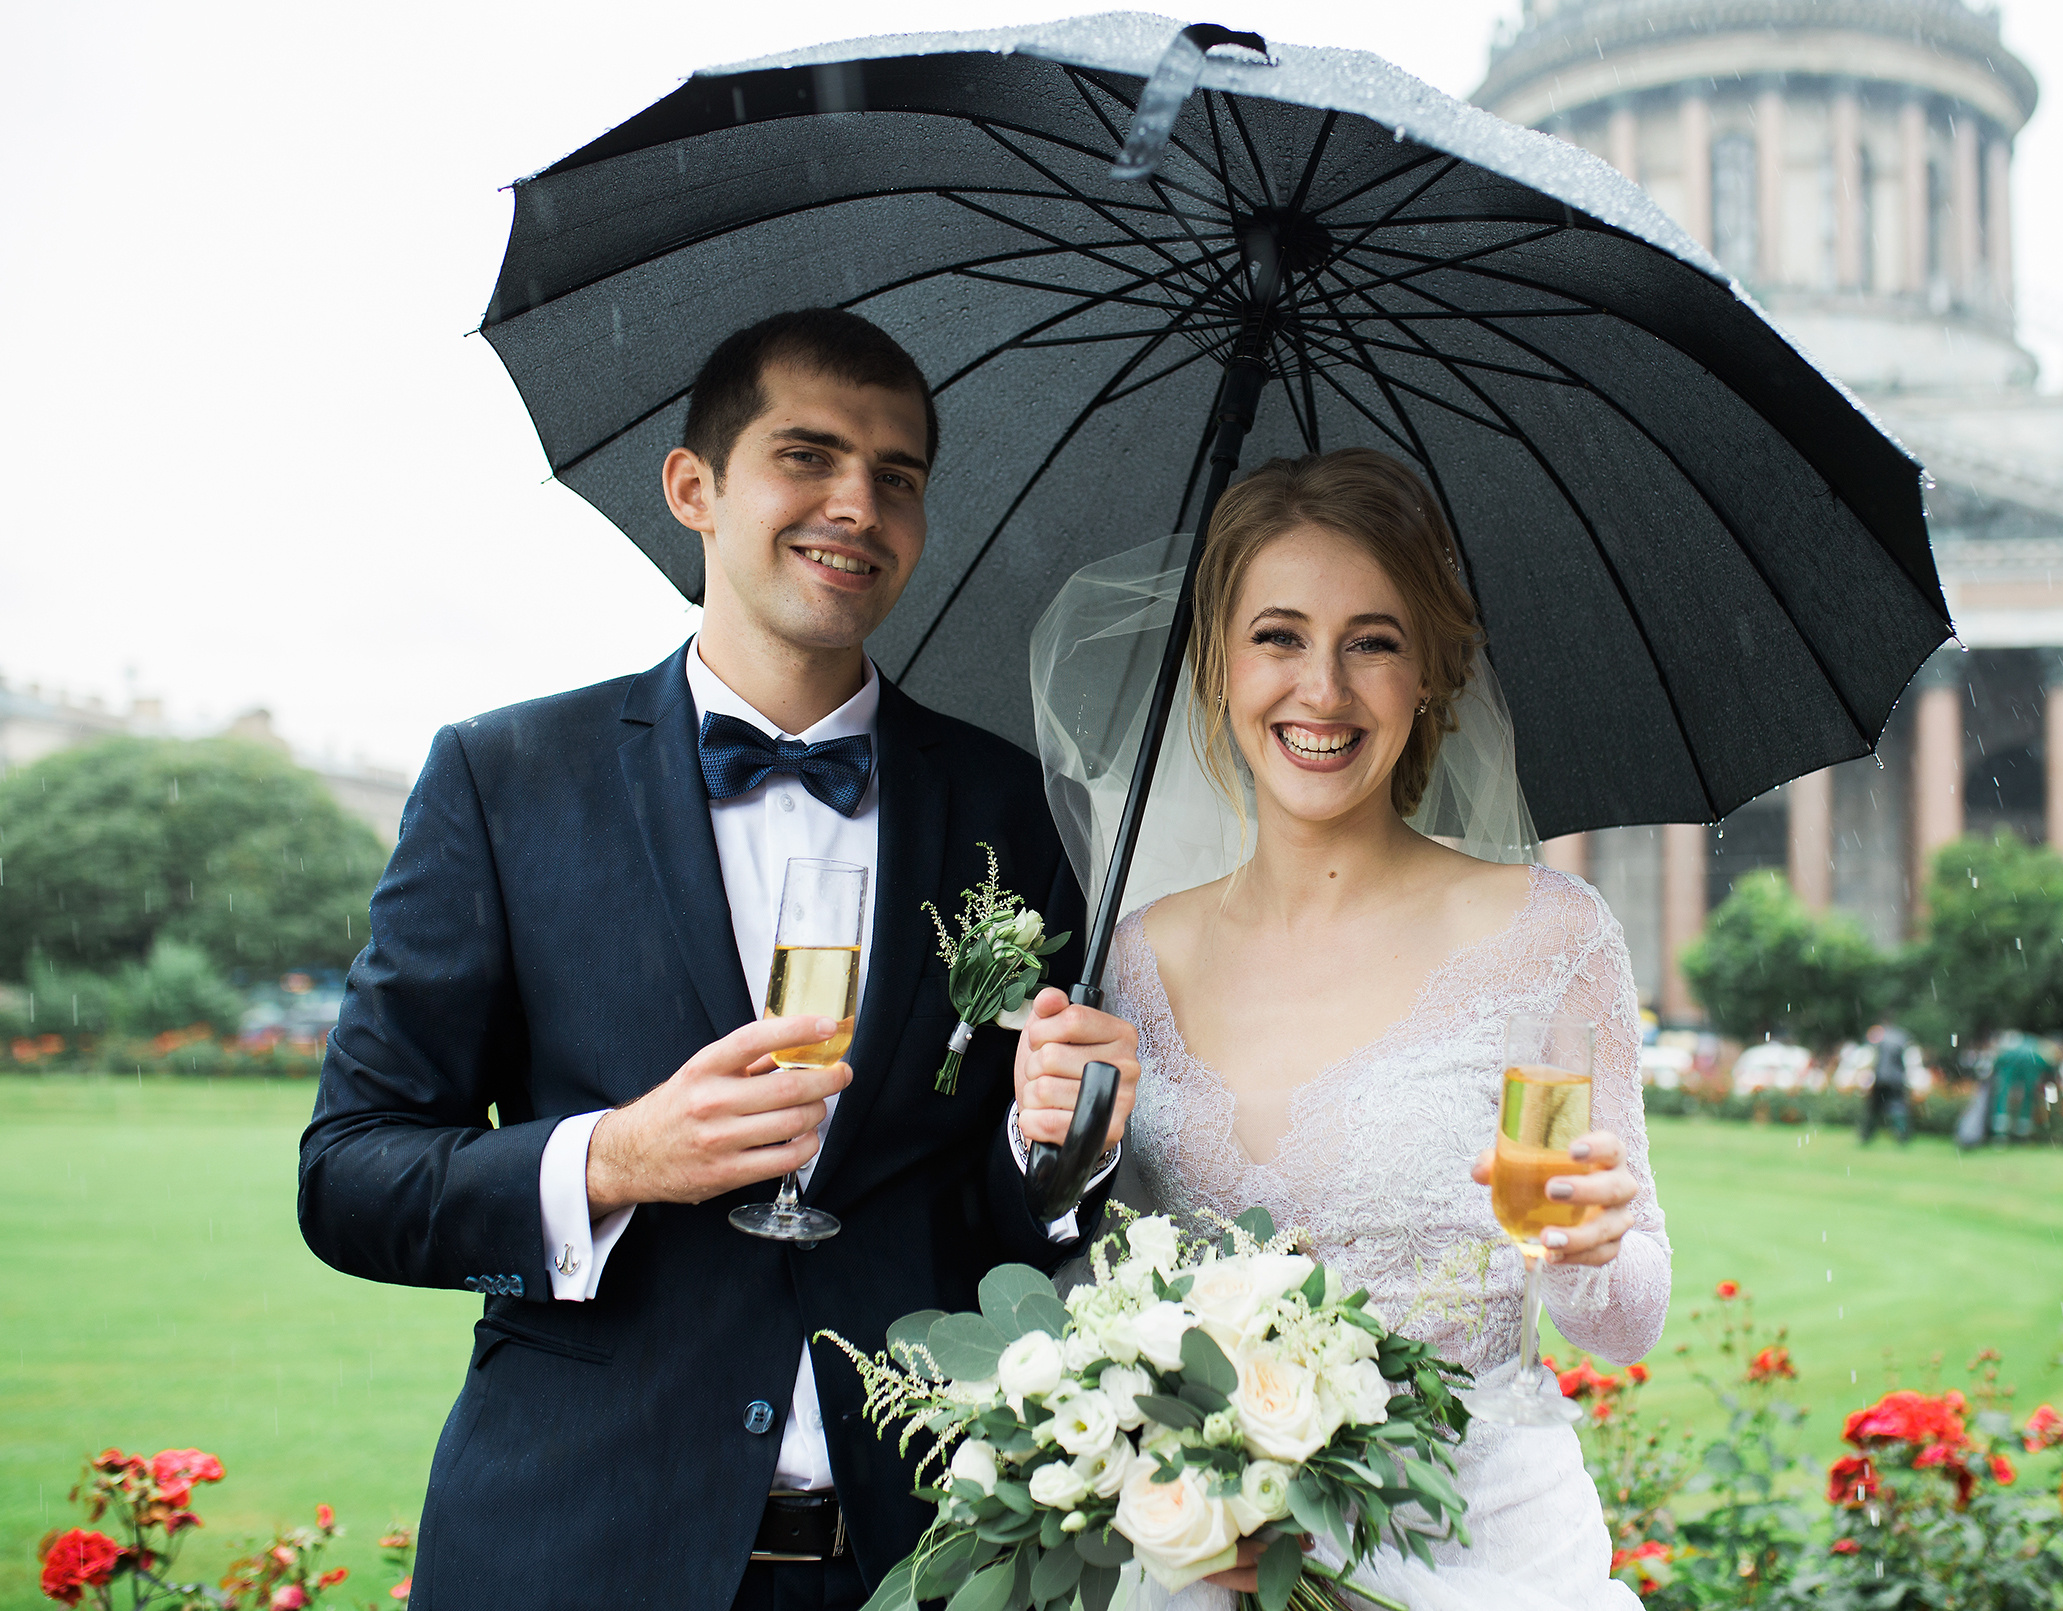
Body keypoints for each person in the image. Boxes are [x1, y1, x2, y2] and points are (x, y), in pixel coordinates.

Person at [298, 310, 1141, 1611]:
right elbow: (348, 1175)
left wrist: (1052, 1143)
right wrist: (617, 1155)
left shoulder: (1015, 804)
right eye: (807, 455)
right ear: (694, 486)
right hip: (578, 1546)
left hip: (923, 1549)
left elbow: (994, 1211)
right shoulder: (502, 778)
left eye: (898, 475)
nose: (856, 503)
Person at [1050, 449, 1667, 1609]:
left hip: (1477, 1559)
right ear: (1216, 666)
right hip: (1205, 1566)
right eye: (1278, 636)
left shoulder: (1550, 939)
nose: (1322, 690)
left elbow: (1628, 1319)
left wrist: (1586, 1254)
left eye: (1372, 641)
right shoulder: (1131, 959)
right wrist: (1053, 1138)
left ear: (1431, 673)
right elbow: (1086, 1266)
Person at [1989, 1031, 2055, 1142]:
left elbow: (1996, 1063)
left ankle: (2001, 1134)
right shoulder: (2036, 1051)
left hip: (2009, 1075)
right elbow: (2049, 1067)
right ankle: (2023, 1134)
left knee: (2003, 1099)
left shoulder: (2010, 1051)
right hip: (2028, 1074)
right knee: (2027, 1099)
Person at [1858, 1022, 1913, 1145]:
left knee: (1873, 1109)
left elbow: (1872, 1058)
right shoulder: (1901, 1037)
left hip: (1881, 1078)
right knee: (1899, 1107)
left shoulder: (1880, 1038)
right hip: (1897, 1080)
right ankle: (1903, 1137)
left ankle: (1865, 1136)